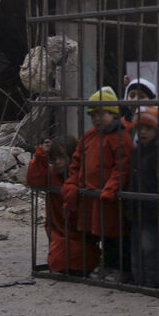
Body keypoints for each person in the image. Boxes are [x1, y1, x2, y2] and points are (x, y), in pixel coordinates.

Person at [62, 86, 134, 283]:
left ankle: (120, 269)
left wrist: (110, 188)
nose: (96, 119)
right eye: (93, 115)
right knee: (100, 233)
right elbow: (76, 161)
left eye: (101, 114)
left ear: (113, 113)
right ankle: (105, 265)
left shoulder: (121, 137)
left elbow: (122, 167)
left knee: (116, 234)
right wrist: (72, 183)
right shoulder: (89, 136)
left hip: (110, 198)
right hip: (93, 196)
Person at [26, 136, 98, 274]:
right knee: (59, 262)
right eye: (54, 158)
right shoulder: (52, 174)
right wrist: (42, 153)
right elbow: (33, 180)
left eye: (62, 157)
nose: (57, 162)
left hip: (82, 230)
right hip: (59, 230)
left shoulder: (83, 174)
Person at [125, 106, 159, 289]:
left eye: (148, 128)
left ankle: (153, 280)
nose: (143, 132)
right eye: (139, 128)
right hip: (137, 207)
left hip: (152, 209)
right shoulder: (138, 150)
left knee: (150, 246)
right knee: (137, 246)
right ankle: (139, 278)